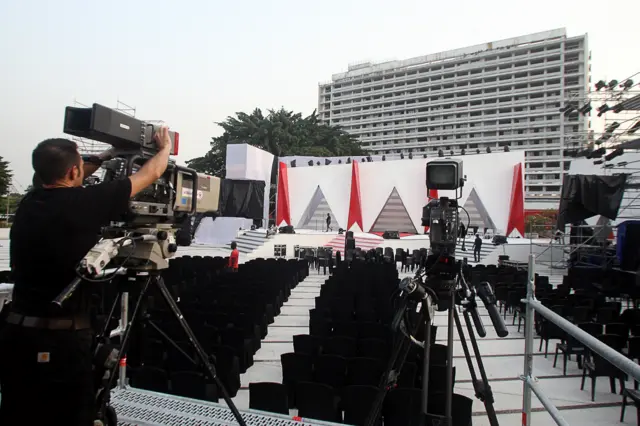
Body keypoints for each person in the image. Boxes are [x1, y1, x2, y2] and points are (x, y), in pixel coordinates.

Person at [0, 127, 172, 426]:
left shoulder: (31, 203)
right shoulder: (83, 203)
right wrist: (164, 148)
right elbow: (151, 173)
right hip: (62, 343)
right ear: (73, 171)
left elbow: (66, 174)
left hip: (17, 336)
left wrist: (107, 155)